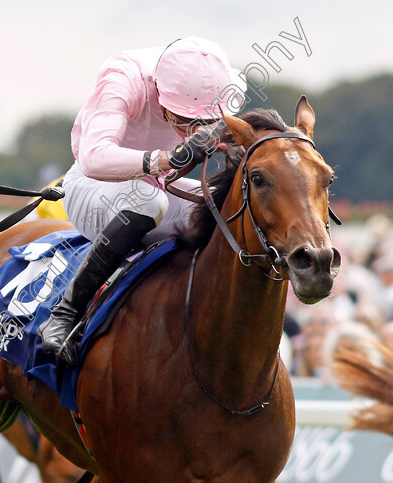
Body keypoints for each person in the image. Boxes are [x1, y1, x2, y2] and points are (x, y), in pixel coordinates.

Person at [38, 37, 246, 364]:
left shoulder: (221, 82)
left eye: (202, 123)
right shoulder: (123, 78)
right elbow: (94, 158)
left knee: (226, 208)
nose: (193, 131)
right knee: (150, 201)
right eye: (183, 119)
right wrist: (165, 159)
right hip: (94, 187)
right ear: (161, 96)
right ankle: (66, 311)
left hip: (159, 189)